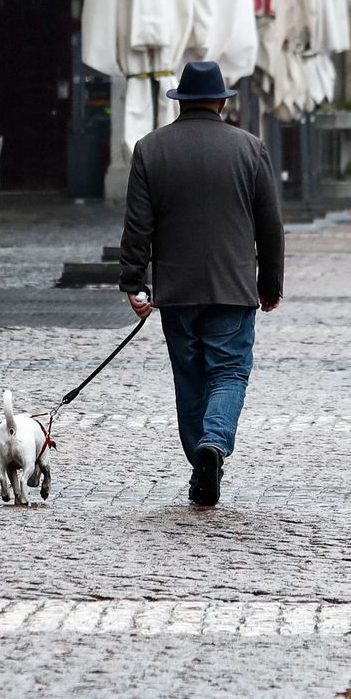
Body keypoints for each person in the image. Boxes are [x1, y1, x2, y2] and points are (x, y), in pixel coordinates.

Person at [118, 60, 285, 507]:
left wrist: (134, 283)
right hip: (233, 288)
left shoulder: (151, 149)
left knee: (190, 379)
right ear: (221, 102)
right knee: (229, 372)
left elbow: (138, 226)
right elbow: (270, 227)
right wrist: (269, 284)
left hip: (176, 291)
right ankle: (214, 445)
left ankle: (200, 462)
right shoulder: (250, 148)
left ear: (181, 101)